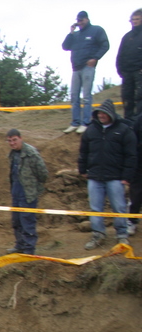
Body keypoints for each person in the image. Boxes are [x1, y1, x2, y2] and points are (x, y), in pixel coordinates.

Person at [79, 100, 137, 249]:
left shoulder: (124, 130)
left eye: (104, 113)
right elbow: (84, 151)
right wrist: (83, 169)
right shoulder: (91, 130)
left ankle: (122, 235)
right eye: (99, 113)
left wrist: (127, 176)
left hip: (115, 177)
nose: (101, 115)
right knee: (95, 208)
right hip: (95, 176)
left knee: (119, 207)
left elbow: (131, 155)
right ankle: (97, 235)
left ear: (111, 114)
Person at [63, 11, 110, 134]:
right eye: (78, 20)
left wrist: (95, 58)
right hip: (76, 68)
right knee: (74, 96)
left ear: (87, 19)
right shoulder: (75, 35)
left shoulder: (96, 30)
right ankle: (75, 122)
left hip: (87, 67)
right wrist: (71, 33)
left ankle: (86, 122)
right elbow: (65, 46)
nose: (80, 22)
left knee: (86, 96)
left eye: (82, 20)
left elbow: (105, 45)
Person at [5, 129, 48, 255]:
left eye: (14, 140)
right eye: (9, 141)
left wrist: (34, 188)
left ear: (21, 138)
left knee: (27, 221)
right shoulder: (13, 154)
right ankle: (20, 245)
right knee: (16, 220)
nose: (12, 143)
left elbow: (43, 174)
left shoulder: (31, 153)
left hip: (28, 193)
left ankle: (29, 249)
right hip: (16, 191)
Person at [117, 9, 142, 120]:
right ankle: (128, 123)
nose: (134, 21)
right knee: (127, 97)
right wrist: (120, 69)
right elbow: (120, 54)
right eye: (133, 19)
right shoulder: (127, 37)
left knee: (140, 97)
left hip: (139, 72)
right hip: (127, 72)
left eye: (137, 19)